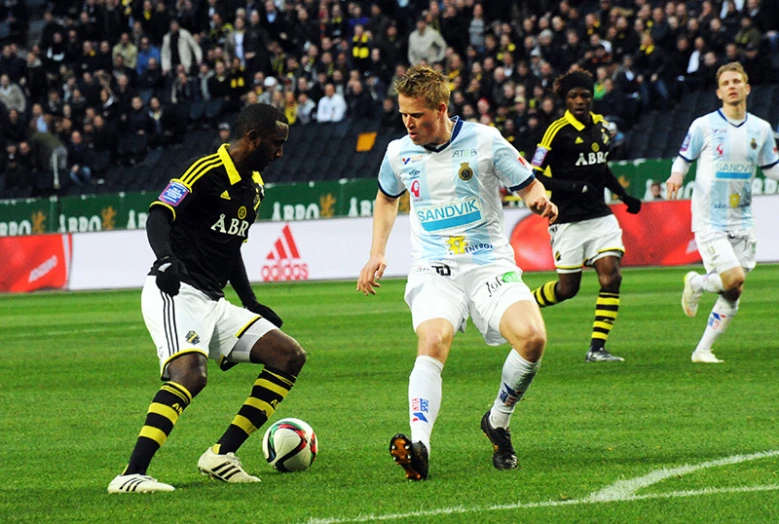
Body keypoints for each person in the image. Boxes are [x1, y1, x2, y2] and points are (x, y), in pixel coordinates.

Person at [356, 66, 558, 481]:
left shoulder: (485, 141)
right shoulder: (398, 152)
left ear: (441, 108)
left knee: (533, 340)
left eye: (418, 116)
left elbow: (528, 184)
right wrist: (377, 252)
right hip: (435, 270)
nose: (409, 124)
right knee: (432, 339)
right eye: (403, 115)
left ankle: (497, 420)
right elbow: (386, 198)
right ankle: (420, 446)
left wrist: (540, 202)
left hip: (489, 265)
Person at [108, 104, 307, 493]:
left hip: (214, 301)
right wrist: (165, 259)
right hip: (176, 292)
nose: (280, 153)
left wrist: (250, 301)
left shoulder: (255, 187)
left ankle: (221, 453)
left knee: (288, 356)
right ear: (252, 139)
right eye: (275, 144)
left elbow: (230, 247)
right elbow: (158, 214)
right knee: (190, 375)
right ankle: (130, 474)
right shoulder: (205, 170)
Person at [666, 62, 779, 363]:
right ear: (718, 92)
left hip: (743, 219)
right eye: (726, 82)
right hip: (709, 218)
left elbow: (771, 169)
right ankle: (697, 283)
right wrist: (677, 176)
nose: (732, 86)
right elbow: (683, 157)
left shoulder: (762, 129)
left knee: (734, 289)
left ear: (747, 87)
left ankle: (702, 349)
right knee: (733, 277)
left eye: (736, 81)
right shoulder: (703, 125)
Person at [529, 71, 643, 362]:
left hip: (599, 217)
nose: (579, 101)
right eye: (573, 97)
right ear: (565, 100)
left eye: (584, 95)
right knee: (568, 289)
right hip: (567, 220)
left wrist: (623, 195)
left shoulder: (602, 128)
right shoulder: (556, 131)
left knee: (611, 276)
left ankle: (597, 348)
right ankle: (519, 305)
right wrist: (573, 186)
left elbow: (601, 168)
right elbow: (535, 174)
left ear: (591, 97)